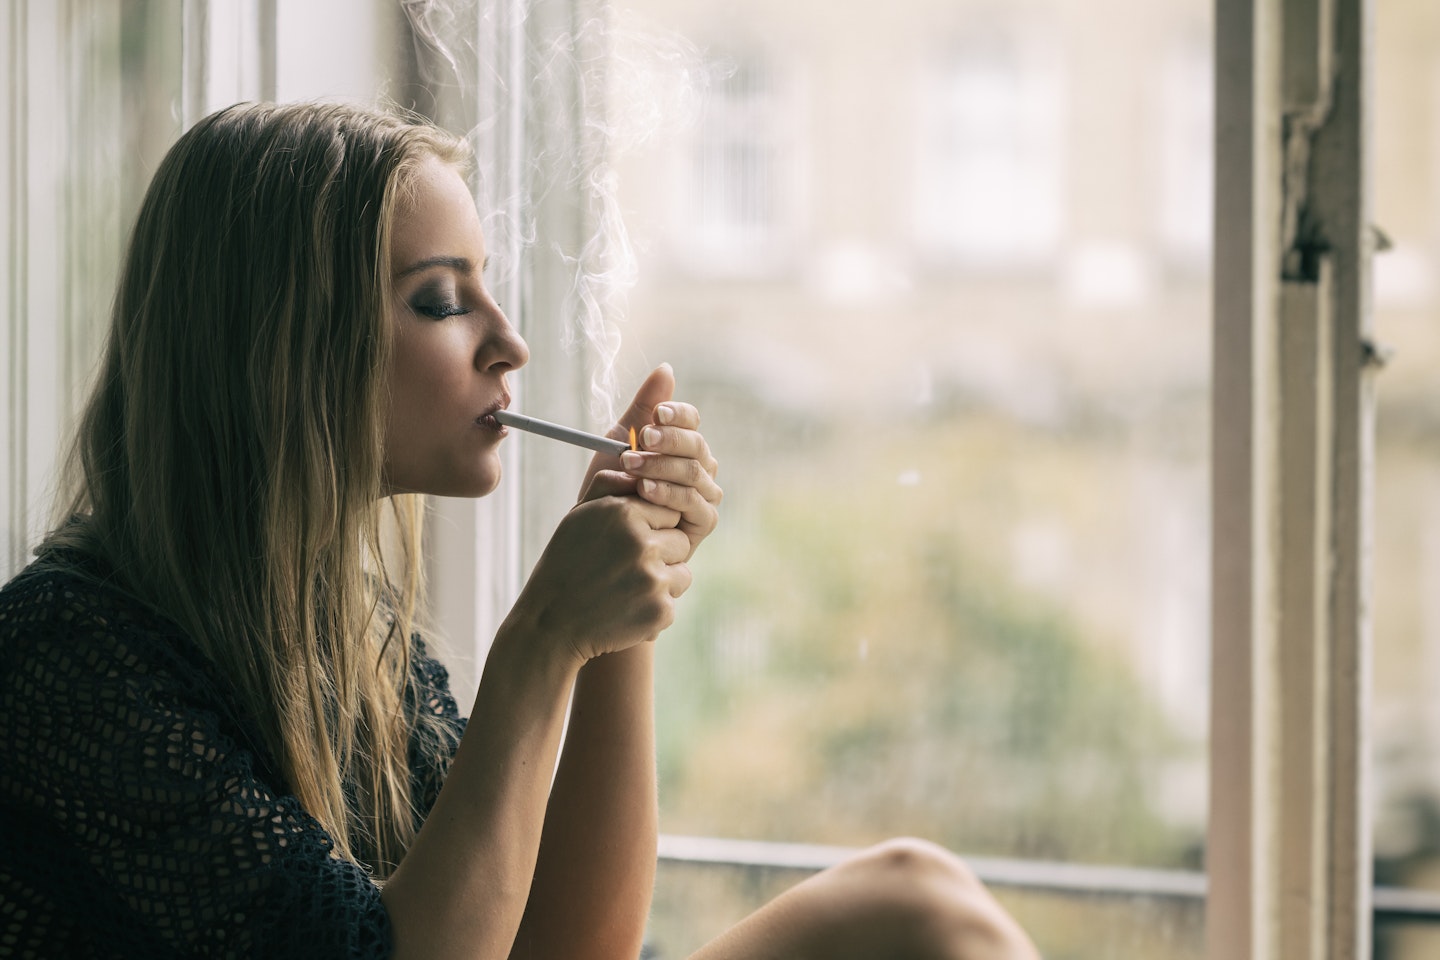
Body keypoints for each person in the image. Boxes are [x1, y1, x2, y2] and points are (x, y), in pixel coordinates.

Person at [0, 101, 1039, 960]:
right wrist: (541, 638)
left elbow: (571, 950)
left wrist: (612, 625)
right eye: (443, 300)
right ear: (284, 350)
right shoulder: (66, 660)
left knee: (916, 900)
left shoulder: (349, 639)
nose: (511, 343)